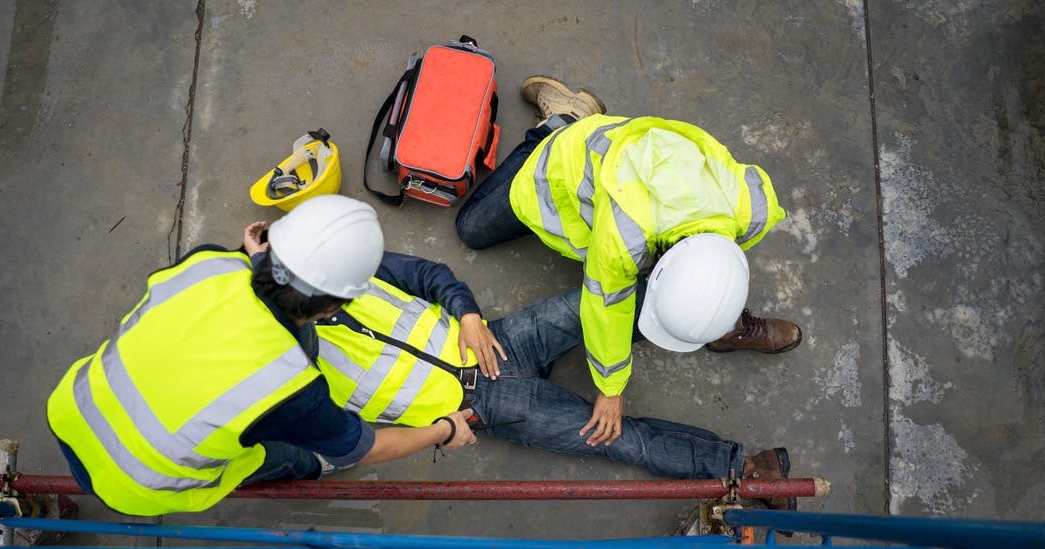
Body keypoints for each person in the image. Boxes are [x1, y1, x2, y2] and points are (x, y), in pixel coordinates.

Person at [45, 195, 475, 517]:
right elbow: (367, 449)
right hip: (137, 483)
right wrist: (443, 430)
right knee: (285, 452)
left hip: (72, 407)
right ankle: (309, 466)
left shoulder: (208, 262)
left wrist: (255, 262)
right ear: (331, 309)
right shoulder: (291, 385)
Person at [455, 76, 803, 449]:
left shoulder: (753, 208)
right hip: (560, 168)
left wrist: (715, 303)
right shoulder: (623, 238)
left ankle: (724, 326)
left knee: (687, 293)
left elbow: (719, 266)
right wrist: (611, 389)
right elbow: (605, 309)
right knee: (471, 229)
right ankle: (563, 120)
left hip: (628, 169)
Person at [311, 250, 791, 487]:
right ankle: (744, 470)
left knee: (606, 303)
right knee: (621, 439)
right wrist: (442, 431)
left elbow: (426, 275)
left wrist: (469, 316)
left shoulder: (327, 266)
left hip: (497, 340)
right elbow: (345, 446)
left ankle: (714, 324)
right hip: (485, 408)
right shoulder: (286, 375)